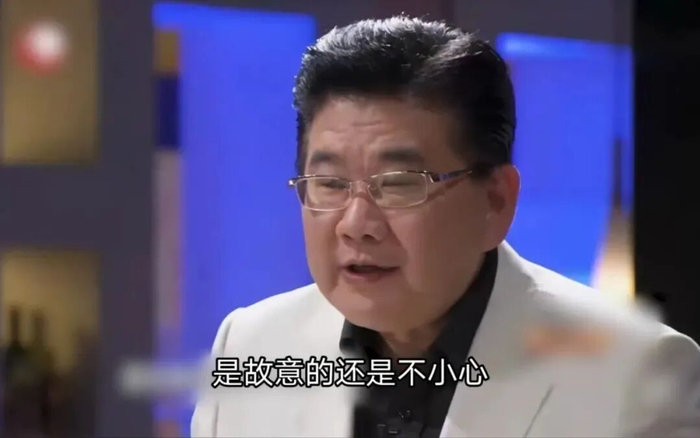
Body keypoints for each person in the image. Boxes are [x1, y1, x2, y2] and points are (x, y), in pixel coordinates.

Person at [191, 16, 700, 437]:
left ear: (495, 201)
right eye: (329, 183)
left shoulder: (637, 374)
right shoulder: (252, 345)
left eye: (399, 184)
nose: (357, 224)